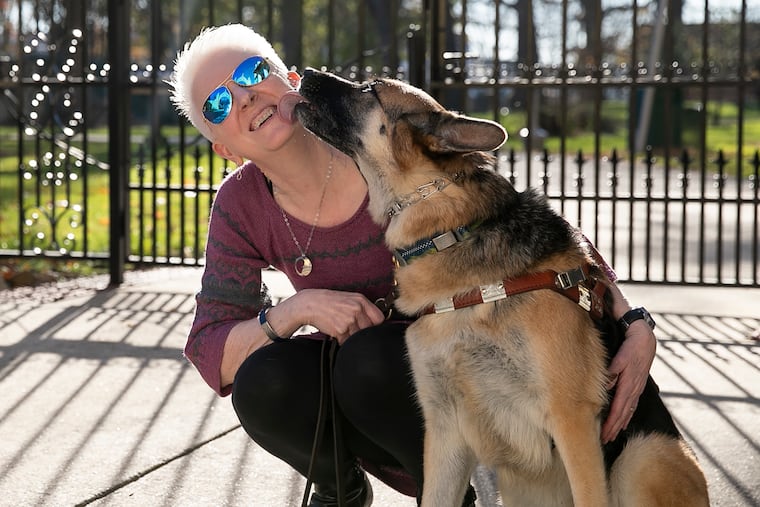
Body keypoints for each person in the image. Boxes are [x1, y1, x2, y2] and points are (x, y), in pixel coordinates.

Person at [168, 23, 658, 507]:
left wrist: (633, 321)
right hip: (361, 368)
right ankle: (341, 488)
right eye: (219, 103)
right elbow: (212, 345)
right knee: (261, 383)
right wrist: (298, 309)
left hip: (423, 365)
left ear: (290, 79)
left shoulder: (382, 144)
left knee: (371, 359)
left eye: (252, 73)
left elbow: (533, 237)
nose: (244, 97)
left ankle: (446, 492)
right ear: (224, 149)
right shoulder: (241, 204)